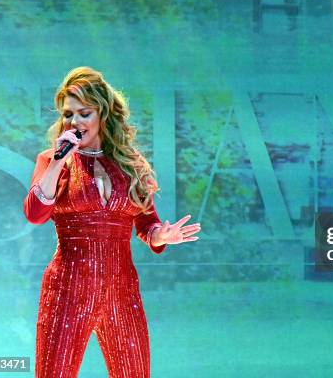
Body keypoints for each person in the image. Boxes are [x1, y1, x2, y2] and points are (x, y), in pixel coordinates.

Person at [23, 66, 200, 377]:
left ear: (103, 114)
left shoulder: (131, 165)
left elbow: (147, 225)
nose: (74, 122)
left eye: (84, 113)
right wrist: (59, 161)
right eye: (68, 114)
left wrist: (162, 236)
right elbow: (35, 213)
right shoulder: (53, 160)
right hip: (67, 289)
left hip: (122, 291)